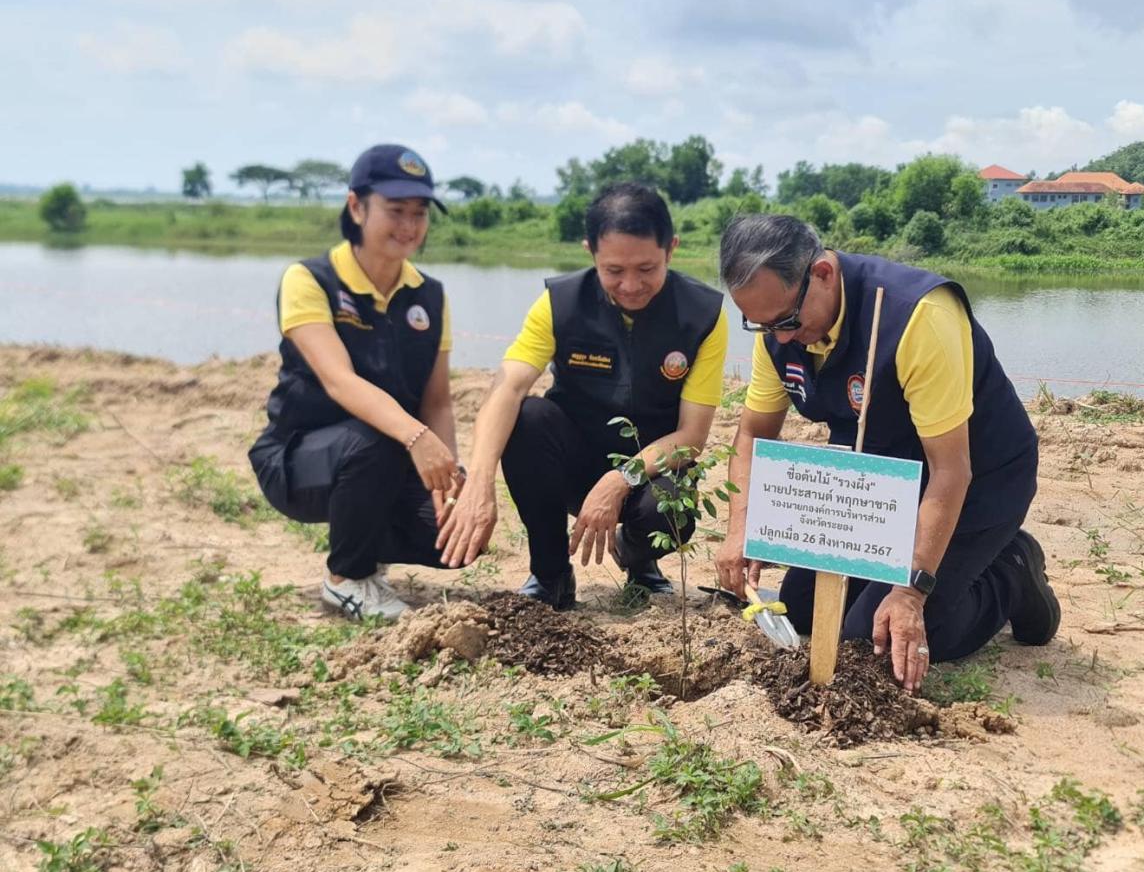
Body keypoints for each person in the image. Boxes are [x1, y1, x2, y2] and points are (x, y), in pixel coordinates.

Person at [714, 214, 1059, 693]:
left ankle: (1012, 573)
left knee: (872, 640)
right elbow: (752, 435)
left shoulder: (918, 315)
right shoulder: (778, 333)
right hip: (879, 480)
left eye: (788, 321)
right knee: (801, 604)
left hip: (976, 480)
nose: (783, 339)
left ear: (822, 274)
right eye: (761, 324)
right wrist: (740, 531)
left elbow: (951, 469)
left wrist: (910, 591)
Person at [437, 183, 728, 610]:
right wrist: (479, 482)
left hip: (649, 471)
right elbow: (507, 387)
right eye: (614, 271)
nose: (630, 285)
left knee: (671, 508)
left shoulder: (703, 315)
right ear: (589, 251)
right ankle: (551, 574)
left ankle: (638, 558)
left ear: (672, 249)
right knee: (526, 416)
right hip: (573, 461)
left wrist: (619, 480)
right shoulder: (559, 304)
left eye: (646, 269)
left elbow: (691, 436)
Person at [248, 144, 468, 622]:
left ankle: (367, 545)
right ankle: (346, 577)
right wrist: (415, 437)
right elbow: (339, 381)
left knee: (457, 538)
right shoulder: (309, 279)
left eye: (419, 212)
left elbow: (438, 402)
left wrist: (449, 479)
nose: (409, 226)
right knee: (380, 436)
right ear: (356, 206)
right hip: (297, 458)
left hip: (383, 455)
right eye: (395, 211)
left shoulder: (429, 296)